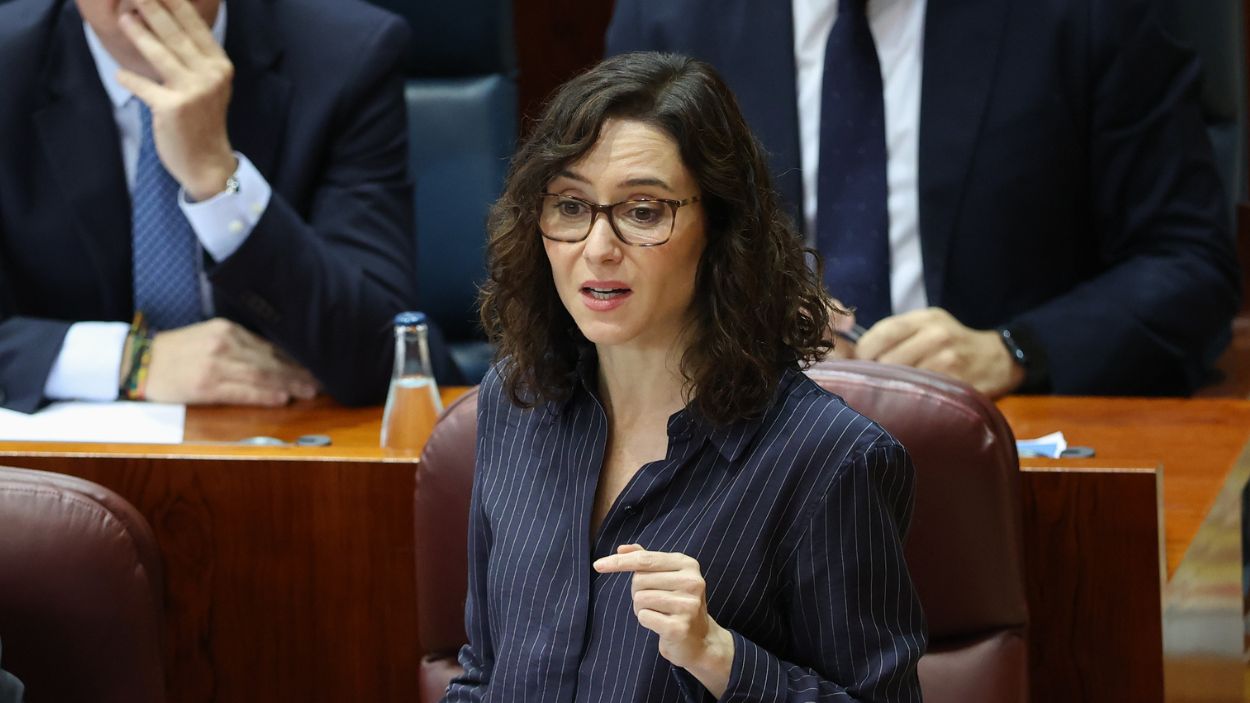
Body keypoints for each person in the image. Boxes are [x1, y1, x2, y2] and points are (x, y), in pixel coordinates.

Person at [444, 52, 925, 702]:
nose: (598, 246)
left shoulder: (828, 461)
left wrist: (721, 655)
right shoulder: (514, 400)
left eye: (643, 211)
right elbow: (482, 673)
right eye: (570, 205)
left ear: (721, 229)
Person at [607, 0, 1241, 397]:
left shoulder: (1082, 14)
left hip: (1004, 447)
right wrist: (745, 318)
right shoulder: (670, 18)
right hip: (748, 444)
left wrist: (1016, 351)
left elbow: (1188, 266)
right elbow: (620, 253)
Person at [0, 0, 457, 413]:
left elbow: (388, 352)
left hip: (289, 440)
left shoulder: (347, 53)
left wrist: (217, 178)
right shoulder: (10, 60)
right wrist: (132, 359)